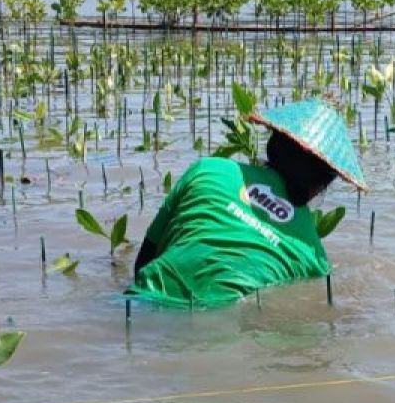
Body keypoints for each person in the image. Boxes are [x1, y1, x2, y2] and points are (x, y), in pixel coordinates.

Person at [126, 99, 367, 308]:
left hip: (140, 300)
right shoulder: (314, 258)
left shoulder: (208, 168)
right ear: (320, 185)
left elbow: (143, 262)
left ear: (273, 146)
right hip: (219, 325)